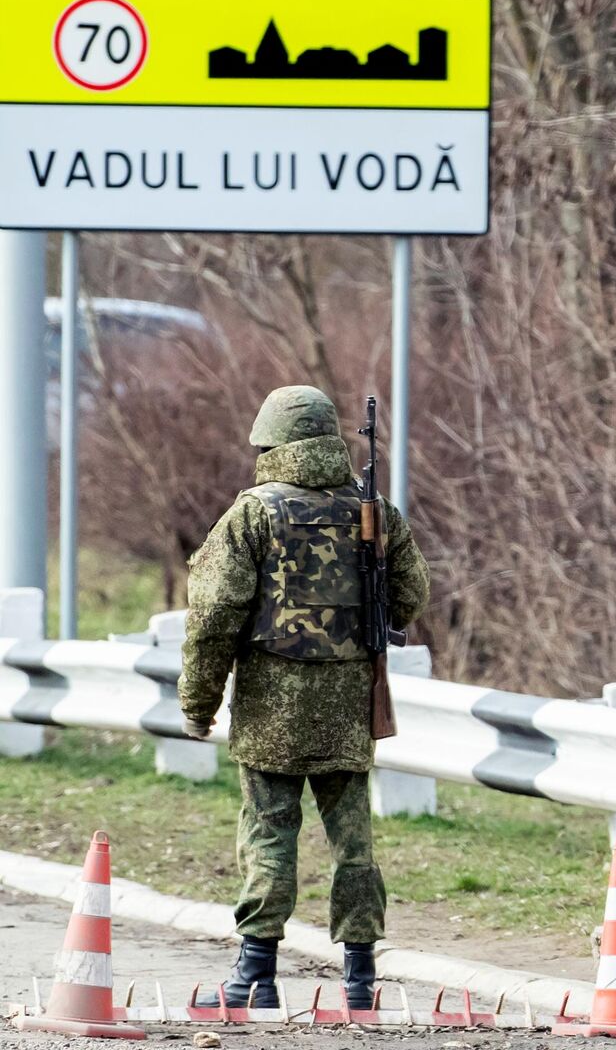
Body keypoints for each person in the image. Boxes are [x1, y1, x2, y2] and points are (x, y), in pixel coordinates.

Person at [178, 385, 430, 1010]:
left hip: (270, 706)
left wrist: (198, 703)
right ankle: (361, 976)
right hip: (348, 704)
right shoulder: (372, 508)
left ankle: (253, 975)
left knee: (268, 831)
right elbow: (412, 590)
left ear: (271, 442)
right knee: (354, 841)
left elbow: (213, 616)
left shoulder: (252, 513)